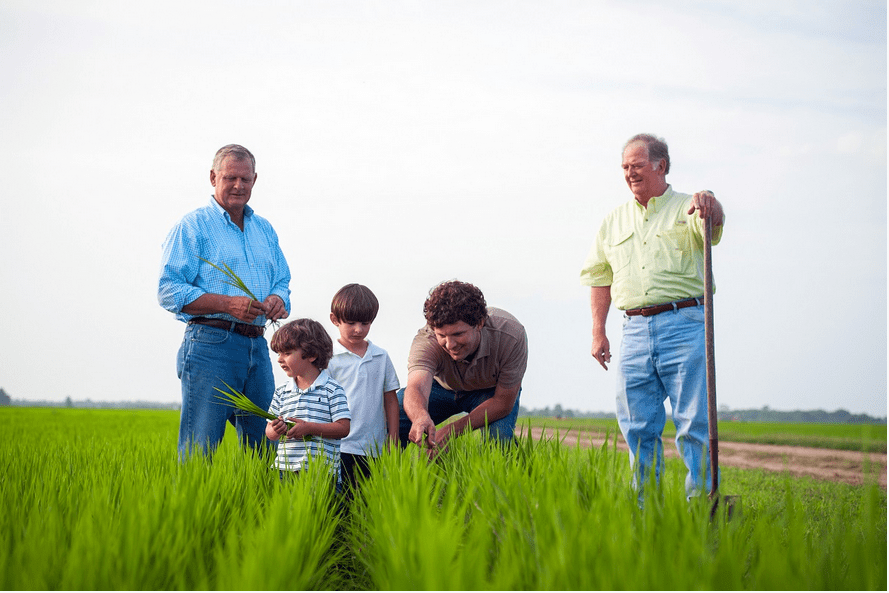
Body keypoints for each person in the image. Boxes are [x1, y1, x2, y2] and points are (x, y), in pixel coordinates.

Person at [579, 133, 725, 500]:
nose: (630, 173)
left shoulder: (688, 208)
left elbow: (715, 224)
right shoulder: (613, 221)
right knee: (636, 424)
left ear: (661, 166)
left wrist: (711, 202)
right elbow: (599, 277)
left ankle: (702, 507)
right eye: (625, 167)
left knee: (694, 422)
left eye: (637, 165)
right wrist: (599, 331)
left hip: (686, 324)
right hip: (634, 330)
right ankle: (646, 511)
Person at [158, 144, 291, 458]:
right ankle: (192, 508)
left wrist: (277, 299)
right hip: (210, 345)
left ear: (255, 180)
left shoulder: (264, 229)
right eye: (230, 178)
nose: (238, 186)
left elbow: (282, 281)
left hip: (257, 347)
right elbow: (168, 290)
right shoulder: (192, 227)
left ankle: (259, 507)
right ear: (212, 177)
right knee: (200, 448)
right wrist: (226, 304)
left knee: (267, 445)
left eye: (245, 179)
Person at [399, 280, 528, 454]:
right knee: (385, 423)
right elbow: (416, 387)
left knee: (499, 439)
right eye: (442, 335)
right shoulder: (426, 340)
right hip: (441, 388)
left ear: (480, 323)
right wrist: (420, 417)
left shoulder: (510, 335)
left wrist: (450, 431)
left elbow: (503, 401)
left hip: (489, 392)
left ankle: (518, 475)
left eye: (458, 334)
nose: (450, 344)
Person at [326, 284, 401, 492]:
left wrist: (393, 438)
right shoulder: (328, 358)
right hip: (338, 446)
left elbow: (390, 399)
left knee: (368, 500)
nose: (358, 329)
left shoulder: (381, 356)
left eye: (365, 323)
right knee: (340, 502)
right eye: (351, 323)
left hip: (372, 447)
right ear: (334, 320)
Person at [266, 319, 351, 483]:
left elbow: (343, 428)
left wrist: (309, 428)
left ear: (312, 355)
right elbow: (270, 433)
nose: (279, 359)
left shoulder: (332, 389)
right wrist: (276, 429)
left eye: (287, 353)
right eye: (278, 354)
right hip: (285, 470)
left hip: (321, 473)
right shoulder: (282, 391)